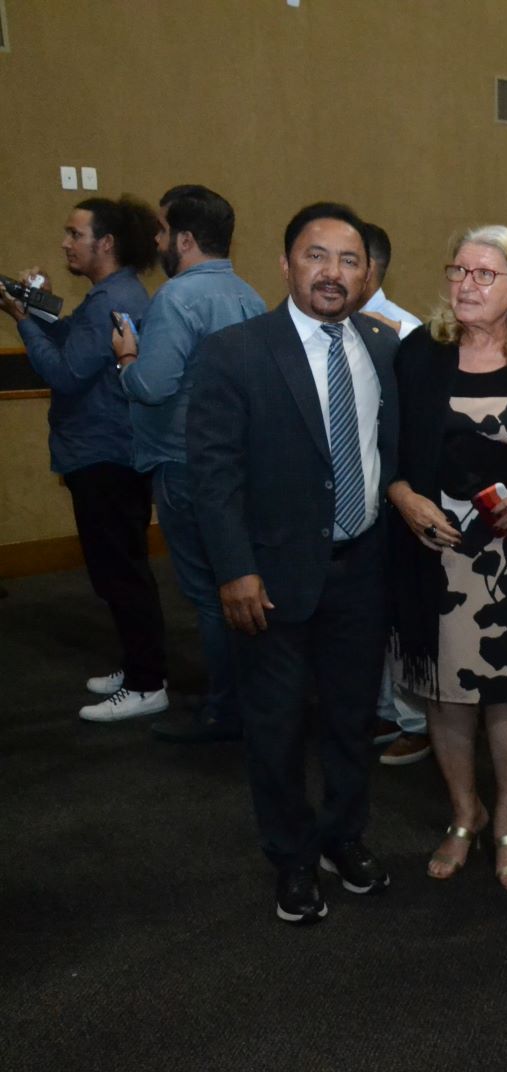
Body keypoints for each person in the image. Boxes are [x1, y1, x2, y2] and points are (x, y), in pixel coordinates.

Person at [188, 202, 399, 924]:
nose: (332, 272)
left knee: (350, 719)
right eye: (316, 256)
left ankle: (344, 837)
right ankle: (292, 858)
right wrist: (234, 569)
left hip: (362, 569)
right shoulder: (236, 350)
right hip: (270, 578)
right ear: (285, 265)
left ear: (367, 274)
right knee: (276, 728)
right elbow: (212, 475)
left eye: (349, 260)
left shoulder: (384, 347)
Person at [387, 224, 507, 892]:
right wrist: (403, 496)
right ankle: (466, 812)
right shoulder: (419, 353)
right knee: (446, 693)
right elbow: (389, 448)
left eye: (485, 274)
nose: (466, 284)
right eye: (459, 270)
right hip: (435, 552)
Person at [1, 196, 168, 722]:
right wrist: (39, 307)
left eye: (75, 234)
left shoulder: (112, 300)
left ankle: (148, 684)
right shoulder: (109, 296)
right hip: (104, 454)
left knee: (121, 573)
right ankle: (140, 663)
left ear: (107, 243)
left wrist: (22, 318)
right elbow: (76, 346)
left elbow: (65, 373)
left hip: (106, 457)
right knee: (118, 570)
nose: (65, 244)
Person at [112, 185, 267, 743]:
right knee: (238, 584)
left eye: (160, 231)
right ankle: (245, 698)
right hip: (236, 463)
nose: (155, 242)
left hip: (183, 464)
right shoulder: (249, 295)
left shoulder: (176, 299)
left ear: (183, 239)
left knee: (210, 595)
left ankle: (226, 712)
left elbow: (153, 386)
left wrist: (127, 358)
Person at [355, 221, 431, 767]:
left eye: (347, 260)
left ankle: (416, 720)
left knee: (401, 611)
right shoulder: (337, 327)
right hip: (355, 492)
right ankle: (383, 708)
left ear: (371, 269)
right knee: (366, 609)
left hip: (399, 491)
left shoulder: (406, 333)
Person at [358, 222, 424, 338]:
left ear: (368, 268)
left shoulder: (405, 332)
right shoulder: (331, 320)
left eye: (348, 261)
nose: (334, 272)